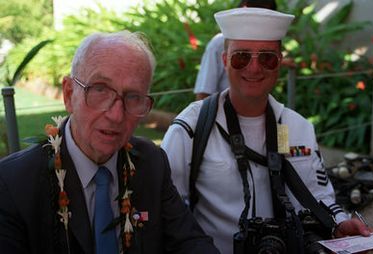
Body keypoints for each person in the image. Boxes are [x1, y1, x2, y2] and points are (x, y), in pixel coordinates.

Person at [162, 7, 371, 254]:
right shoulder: (191, 129)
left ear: (279, 63)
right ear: (224, 60)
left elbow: (317, 194)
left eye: (267, 58)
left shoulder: (294, 128)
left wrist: (339, 224)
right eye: (241, 57)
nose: (253, 68)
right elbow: (170, 212)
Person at [0, 31, 220, 254]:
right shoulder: (14, 184)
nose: (116, 115)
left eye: (133, 96)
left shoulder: (151, 163)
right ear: (68, 94)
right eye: (100, 90)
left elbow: (190, 242)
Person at [194, 0, 277, 100]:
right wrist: (208, 113)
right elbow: (204, 90)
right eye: (241, 55)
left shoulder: (271, 42)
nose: (254, 69)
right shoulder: (220, 43)